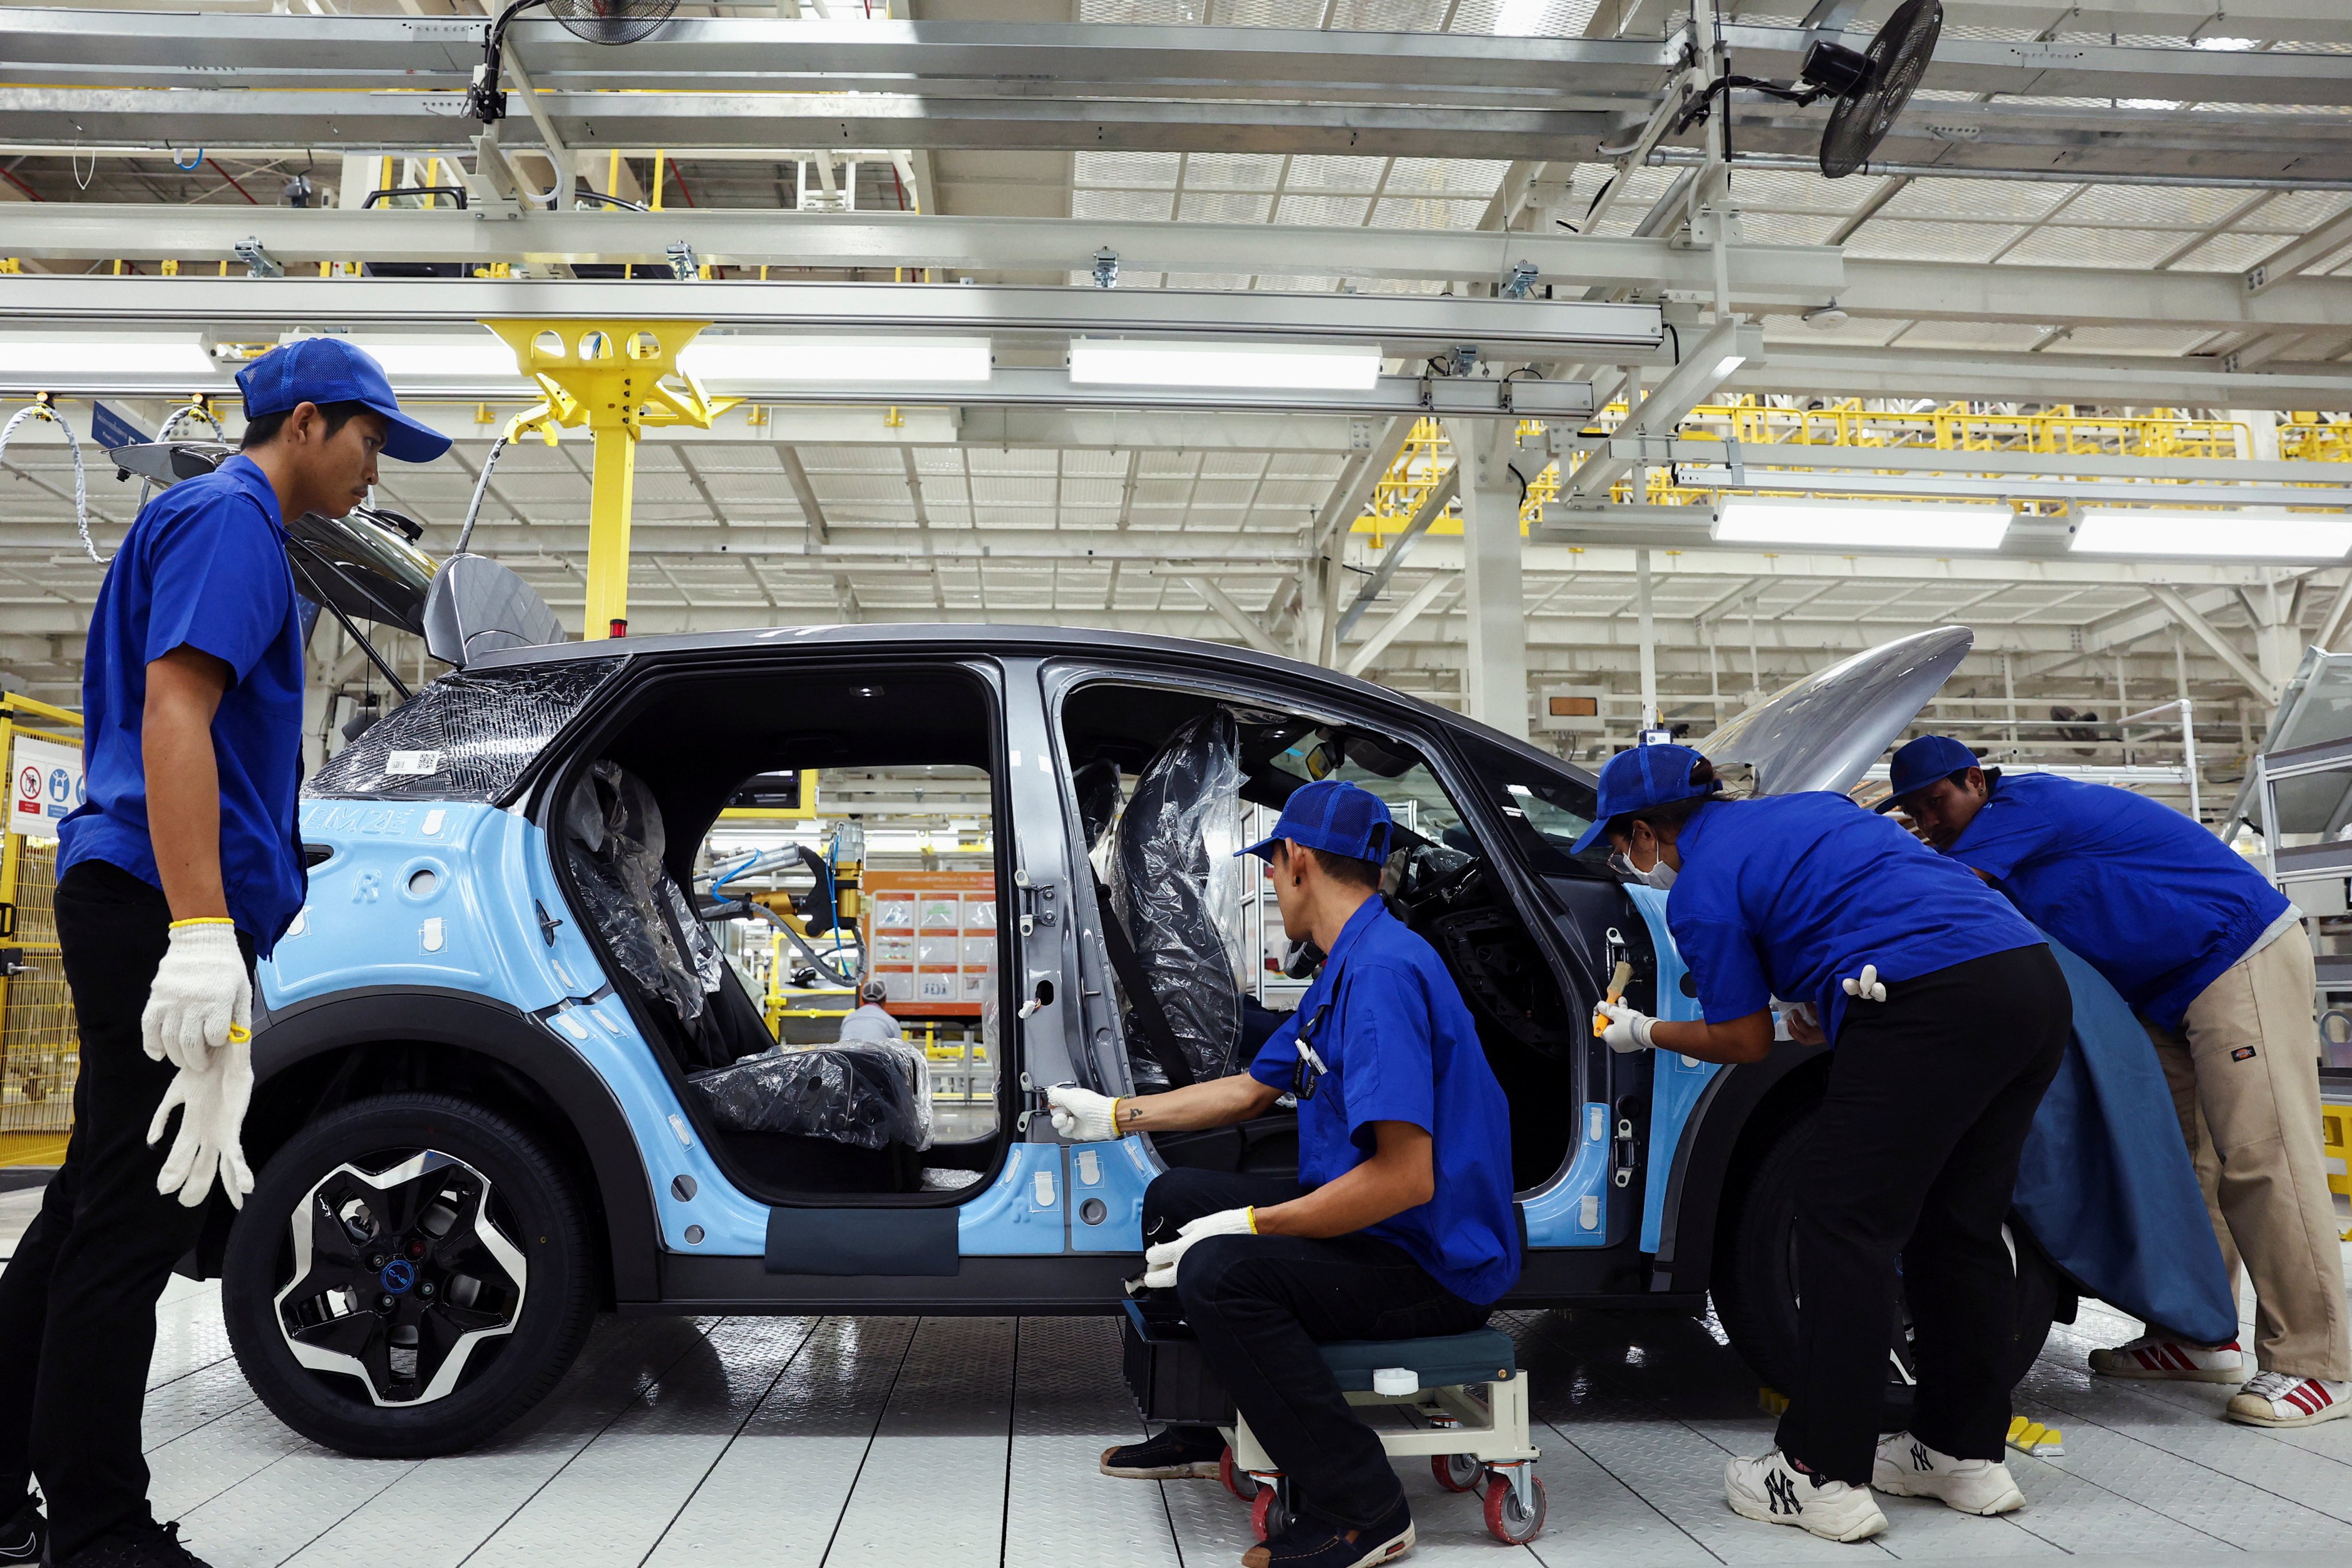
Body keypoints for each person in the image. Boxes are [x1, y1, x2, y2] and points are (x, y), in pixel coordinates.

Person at [0, 339, 450, 1568]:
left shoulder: (229, 528)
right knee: (133, 1226)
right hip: (157, 902)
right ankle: (98, 1532)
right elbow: (175, 713)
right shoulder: (231, 524)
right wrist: (201, 931)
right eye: (369, 441)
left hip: (148, 895)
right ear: (304, 422)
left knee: (89, 1211)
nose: (375, 470)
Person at [1585, 744, 2070, 1544]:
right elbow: (1854, 902)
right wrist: (1815, 993)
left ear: (1643, 831)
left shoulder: (1698, 891)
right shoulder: (1812, 806)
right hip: (2025, 983)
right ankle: (1962, 1453)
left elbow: (1739, 1040)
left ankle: (1818, 1472)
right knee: (1959, 1223)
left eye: (1617, 843)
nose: (1621, 859)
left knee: (1840, 1224)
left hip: (1921, 997)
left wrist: (1640, 1029)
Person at [1048, 779, 1517, 1568]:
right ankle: (1204, 1421)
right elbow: (1249, 1089)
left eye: (1270, 865)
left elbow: (1405, 1180)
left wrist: (1251, 1225)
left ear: (1297, 859)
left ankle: (1360, 1506)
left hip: (1431, 1258)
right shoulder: (1347, 964)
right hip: (1378, 1226)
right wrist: (1115, 1114)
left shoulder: (1381, 978)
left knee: (1222, 1271)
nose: (1269, 879)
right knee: (1175, 1198)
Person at [1888, 733, 2350, 1428]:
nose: (1929, 821)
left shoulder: (2023, 805)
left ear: (1977, 782)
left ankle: (2320, 1363)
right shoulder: (1986, 833)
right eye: (1914, 815)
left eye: (1936, 802)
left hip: (2234, 956)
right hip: (2166, 991)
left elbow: (1944, 892)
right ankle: (2197, 1333)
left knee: (2264, 1155)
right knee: (2184, 1164)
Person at [836, 976, 905, 1044]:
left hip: (846, 1055)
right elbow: (900, 1051)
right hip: (874, 1055)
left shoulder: (849, 1019)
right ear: (885, 999)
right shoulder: (890, 1022)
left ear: (862, 998)